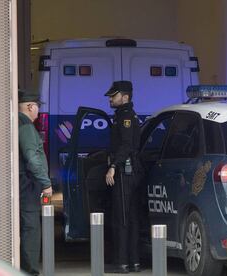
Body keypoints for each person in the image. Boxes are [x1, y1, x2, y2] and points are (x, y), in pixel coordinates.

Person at [104, 81, 142, 274]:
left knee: (122, 217)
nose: (110, 99)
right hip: (131, 170)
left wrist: (113, 166)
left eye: (114, 96)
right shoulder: (124, 115)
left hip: (125, 172)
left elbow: (126, 145)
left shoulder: (125, 116)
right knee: (132, 217)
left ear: (125, 97)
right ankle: (133, 261)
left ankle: (122, 262)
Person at [18, 90, 52, 275]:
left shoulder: (17, 124)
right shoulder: (26, 128)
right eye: (37, 106)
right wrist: (46, 184)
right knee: (31, 229)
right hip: (28, 186)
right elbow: (32, 158)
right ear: (31, 107)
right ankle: (30, 271)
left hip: (23, 185)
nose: (38, 110)